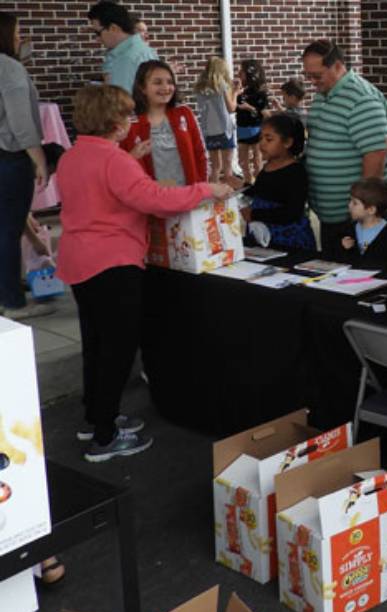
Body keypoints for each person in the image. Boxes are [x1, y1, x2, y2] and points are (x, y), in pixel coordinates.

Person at [57, 84, 234, 462]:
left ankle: (96, 416)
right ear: (112, 120)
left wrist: (131, 159)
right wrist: (206, 189)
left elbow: (104, 191)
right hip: (112, 262)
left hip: (78, 260)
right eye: (124, 114)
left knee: (96, 345)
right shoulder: (113, 160)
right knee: (118, 349)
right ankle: (105, 437)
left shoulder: (75, 155)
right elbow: (153, 198)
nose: (130, 120)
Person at [301, 40, 387, 252]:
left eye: (316, 75)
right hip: (334, 215)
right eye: (307, 75)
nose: (311, 81)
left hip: (359, 216)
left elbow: (375, 157)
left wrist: (362, 211)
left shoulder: (361, 99)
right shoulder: (324, 94)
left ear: (338, 66)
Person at [0, 12, 52, 321]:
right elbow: (21, 123)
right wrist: (39, 158)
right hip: (9, 157)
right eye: (17, 32)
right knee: (7, 231)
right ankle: (14, 303)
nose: (21, 38)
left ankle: (7, 287)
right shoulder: (9, 68)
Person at [120, 60, 207, 188]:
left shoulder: (184, 114)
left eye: (170, 82)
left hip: (189, 195)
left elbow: (200, 154)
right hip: (152, 199)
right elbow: (120, 166)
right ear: (142, 87)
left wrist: (202, 188)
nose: (166, 87)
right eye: (157, 82)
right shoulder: (129, 124)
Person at [241, 114, 315, 249]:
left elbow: (292, 211)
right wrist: (242, 187)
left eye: (269, 139)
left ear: (287, 143)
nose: (262, 143)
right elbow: (263, 190)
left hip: (286, 237)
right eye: (261, 138)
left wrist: (254, 214)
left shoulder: (296, 173)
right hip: (263, 232)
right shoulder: (268, 166)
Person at [337, 177, 387, 269]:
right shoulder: (347, 231)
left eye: (355, 203)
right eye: (350, 201)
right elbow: (338, 264)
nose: (349, 205)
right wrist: (344, 249)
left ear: (371, 210)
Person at [87, 1, 157, 94]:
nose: (97, 39)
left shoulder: (127, 58)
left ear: (113, 28)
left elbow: (121, 105)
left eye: (98, 33)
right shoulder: (135, 51)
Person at [194, 56, 237, 183]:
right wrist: (235, 93)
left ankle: (214, 197)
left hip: (209, 131)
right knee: (227, 167)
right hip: (224, 130)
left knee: (215, 167)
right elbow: (231, 108)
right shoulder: (221, 85)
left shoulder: (200, 88)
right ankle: (227, 198)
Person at [234, 59, 269, 183]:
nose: (238, 73)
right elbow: (232, 107)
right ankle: (248, 181)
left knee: (257, 159)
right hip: (242, 129)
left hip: (256, 130)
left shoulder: (260, 93)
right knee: (242, 160)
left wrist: (249, 108)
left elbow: (266, 114)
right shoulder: (240, 91)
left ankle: (259, 183)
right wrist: (235, 92)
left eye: (241, 71)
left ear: (250, 74)